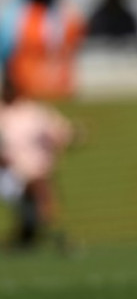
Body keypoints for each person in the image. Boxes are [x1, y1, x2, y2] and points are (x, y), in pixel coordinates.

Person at [0, 73, 75, 250]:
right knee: (38, 187)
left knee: (38, 187)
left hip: (34, 172)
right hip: (7, 173)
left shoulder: (33, 112)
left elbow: (60, 133)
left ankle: (41, 230)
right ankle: (53, 230)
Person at [0, 0, 86, 101]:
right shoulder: (66, 13)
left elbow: (5, 51)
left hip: (31, 86)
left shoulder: (14, 15)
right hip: (56, 86)